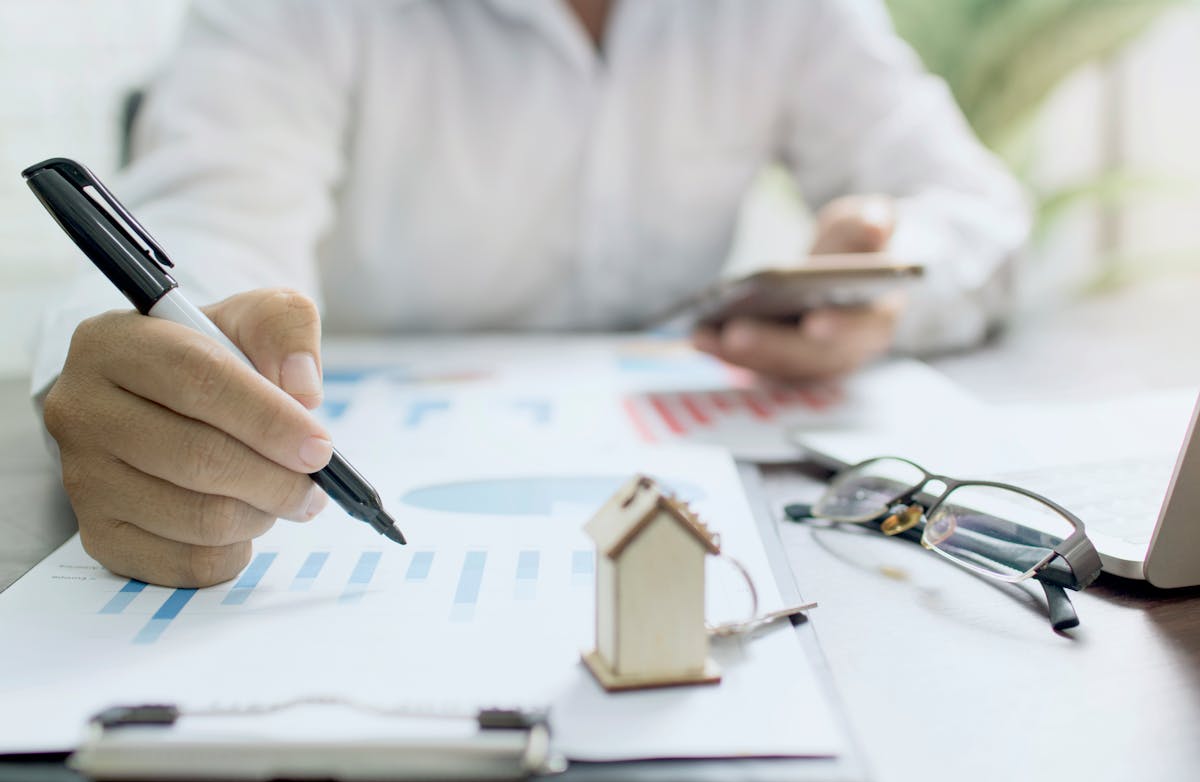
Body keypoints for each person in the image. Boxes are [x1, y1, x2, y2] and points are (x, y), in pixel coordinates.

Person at [31, 0, 1031, 588]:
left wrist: (885, 277)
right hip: (359, 438)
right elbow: (203, 222)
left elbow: (972, 209)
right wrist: (154, 376)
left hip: (692, 467)